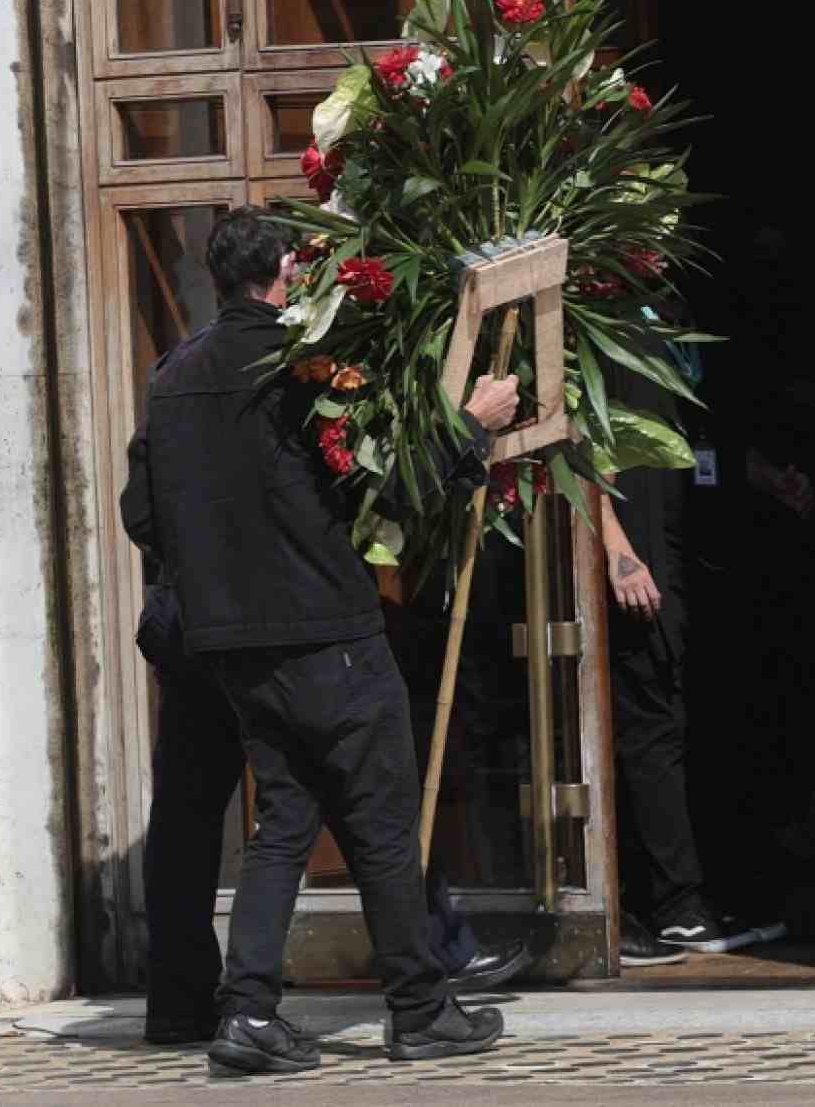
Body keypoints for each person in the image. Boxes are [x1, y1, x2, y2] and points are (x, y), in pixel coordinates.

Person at [121, 207, 522, 1076]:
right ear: (283, 275)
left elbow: (141, 514)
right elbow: (393, 488)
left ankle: (249, 1013)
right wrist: (472, 423)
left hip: (232, 649)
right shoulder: (305, 373)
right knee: (379, 824)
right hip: (326, 632)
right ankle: (418, 1010)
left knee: (282, 828)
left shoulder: (171, 378)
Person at [600, 316, 815, 968]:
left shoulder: (677, 329)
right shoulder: (598, 332)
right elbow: (571, 453)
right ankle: (667, 904)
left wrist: (759, 472)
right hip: (641, 561)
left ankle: (698, 893)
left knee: (693, 721)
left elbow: (697, 437)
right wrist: (615, 550)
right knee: (649, 728)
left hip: (691, 556)